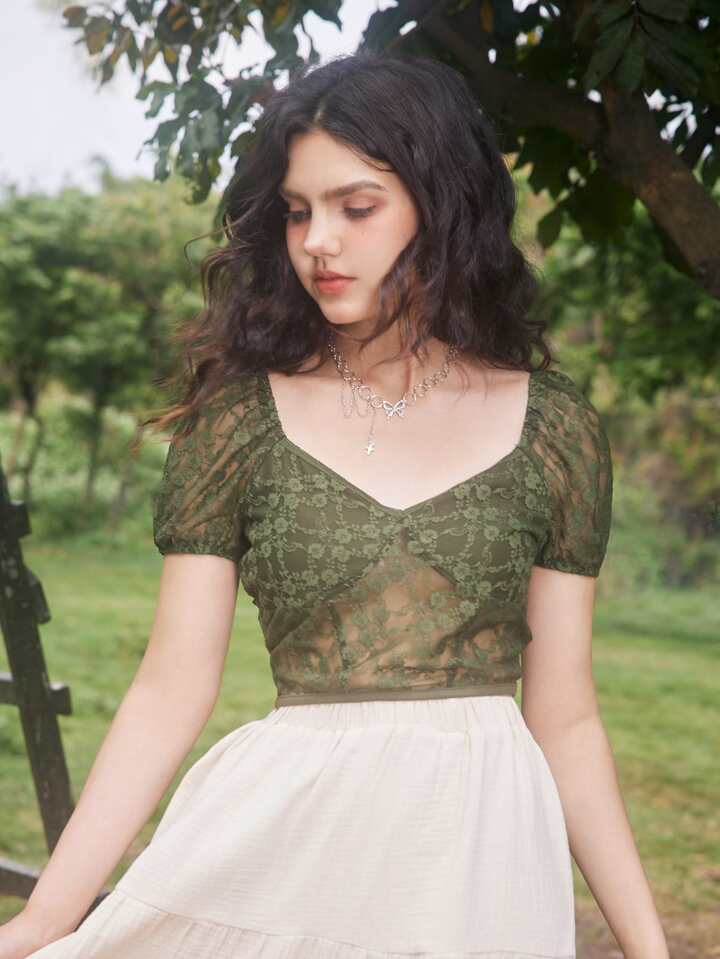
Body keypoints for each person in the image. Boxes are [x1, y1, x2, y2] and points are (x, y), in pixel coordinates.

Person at [2, 49, 669, 959]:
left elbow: (568, 716)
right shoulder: (239, 421)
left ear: (442, 206)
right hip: (288, 849)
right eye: (297, 210)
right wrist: (48, 917)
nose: (317, 240)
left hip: (481, 873)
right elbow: (169, 688)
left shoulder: (554, 427)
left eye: (356, 208)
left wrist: (647, 944)